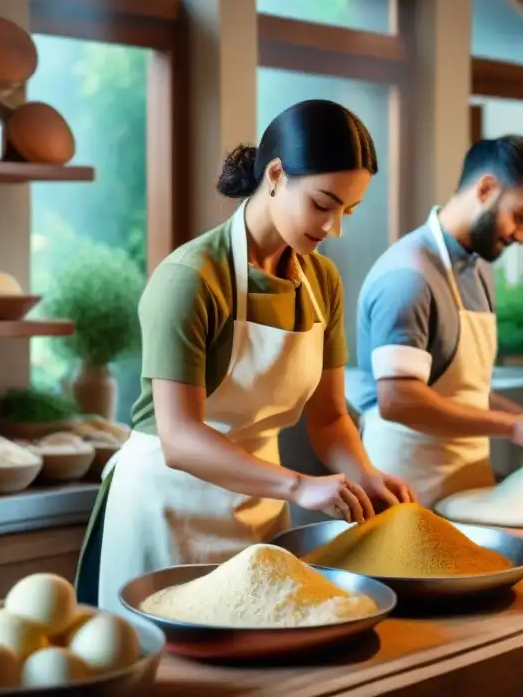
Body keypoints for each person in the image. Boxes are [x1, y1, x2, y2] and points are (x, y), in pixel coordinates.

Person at [75, 99, 416, 613]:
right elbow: (181, 439)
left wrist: (363, 474)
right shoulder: (190, 279)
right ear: (275, 175)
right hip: (167, 508)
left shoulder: (322, 282)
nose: (333, 228)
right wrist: (299, 486)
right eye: (323, 204)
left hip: (260, 508)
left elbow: (329, 419)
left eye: (347, 211)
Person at [349, 135, 523, 508]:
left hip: (467, 489)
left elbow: (460, 393)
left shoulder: (480, 270)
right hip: (406, 493)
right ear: (486, 188)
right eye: (520, 217)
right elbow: (399, 400)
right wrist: (514, 427)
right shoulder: (408, 276)